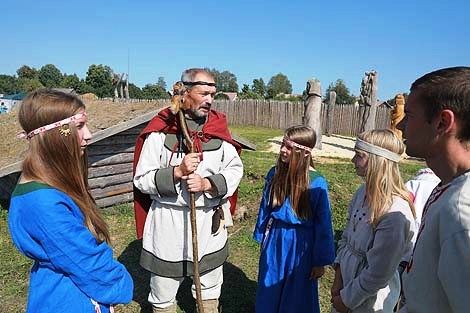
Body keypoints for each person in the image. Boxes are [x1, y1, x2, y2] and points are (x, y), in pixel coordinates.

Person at [8, 89, 133, 313]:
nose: (89, 134)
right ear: (57, 133)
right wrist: (121, 284)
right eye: (79, 126)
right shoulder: (44, 203)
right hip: (69, 302)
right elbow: (86, 262)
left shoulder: (46, 186)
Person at [133, 68, 243, 313]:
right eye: (204, 93)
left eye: (212, 94)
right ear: (184, 93)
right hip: (168, 224)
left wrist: (208, 184)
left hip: (208, 224)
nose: (210, 100)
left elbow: (235, 169)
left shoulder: (217, 128)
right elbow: (141, 179)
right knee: (163, 291)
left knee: (210, 288)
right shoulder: (161, 132)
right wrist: (176, 172)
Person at [397, 66, 470, 313]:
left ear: (442, 122)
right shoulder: (448, 186)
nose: (400, 124)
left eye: (409, 114)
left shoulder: (461, 210)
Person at [331, 129, 416, 313]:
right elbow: (346, 237)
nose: (353, 160)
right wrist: (339, 279)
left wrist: (347, 301)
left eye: (359, 155)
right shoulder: (361, 193)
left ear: (379, 162)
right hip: (346, 284)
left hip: (371, 300)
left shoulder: (395, 212)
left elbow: (378, 274)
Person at [253, 125, 335, 313]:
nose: (283, 149)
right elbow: (265, 207)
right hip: (275, 238)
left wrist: (320, 260)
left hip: (301, 245)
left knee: (298, 290)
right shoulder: (274, 174)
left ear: (304, 153)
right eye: (283, 144)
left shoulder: (316, 182)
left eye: (289, 147)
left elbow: (324, 226)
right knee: (269, 280)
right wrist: (262, 237)